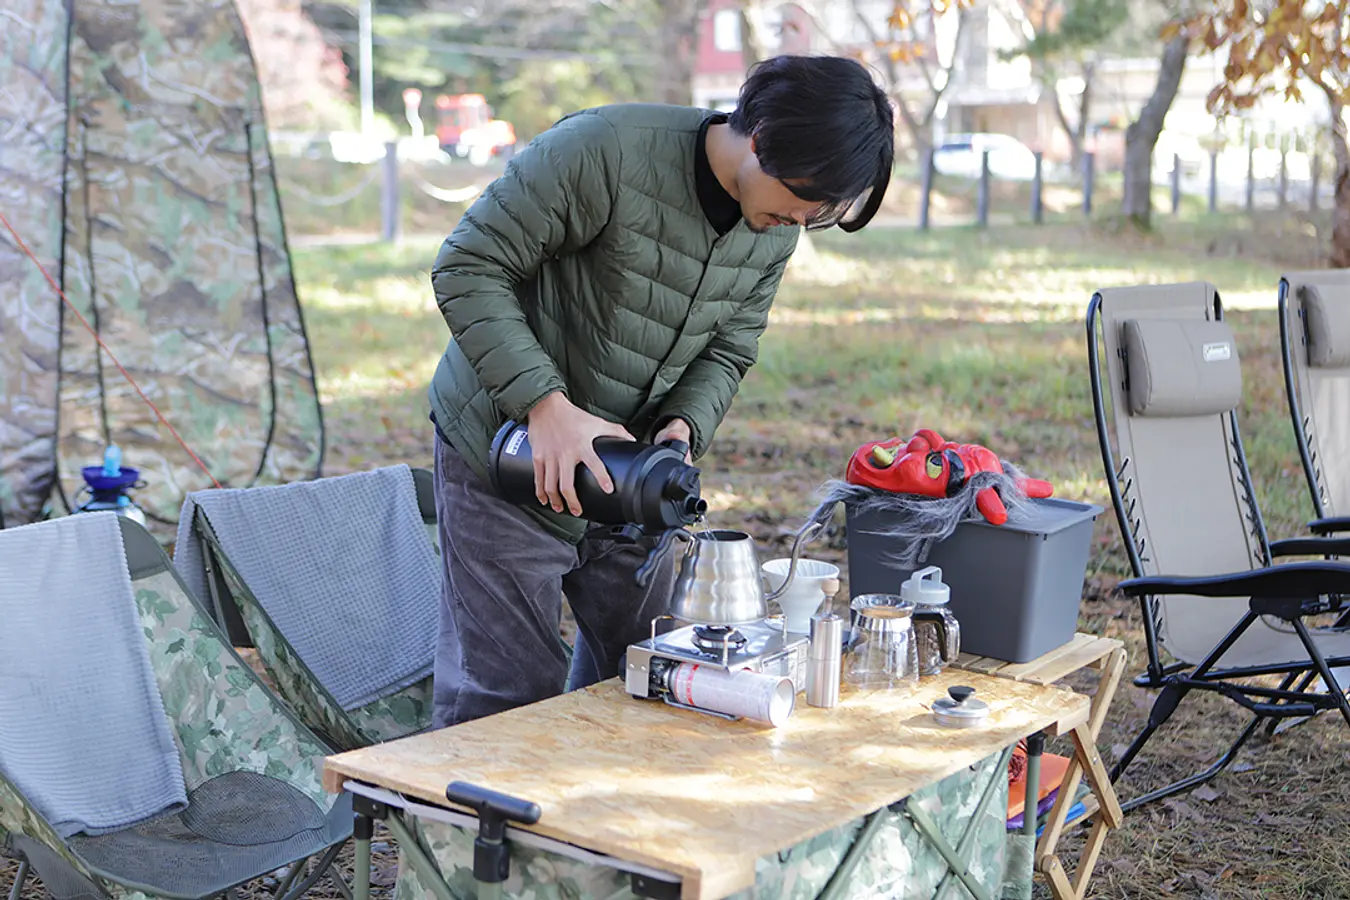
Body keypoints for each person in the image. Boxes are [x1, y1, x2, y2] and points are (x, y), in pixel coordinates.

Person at [427, 54, 895, 728]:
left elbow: (731, 346)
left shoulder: (774, 226)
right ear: (762, 137)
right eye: (805, 197)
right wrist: (545, 406)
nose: (804, 218)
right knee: (507, 694)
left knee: (655, 673)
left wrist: (681, 425)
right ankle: (466, 832)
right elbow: (468, 264)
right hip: (510, 448)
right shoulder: (604, 152)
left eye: (821, 213)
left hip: (630, 473)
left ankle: (594, 824)